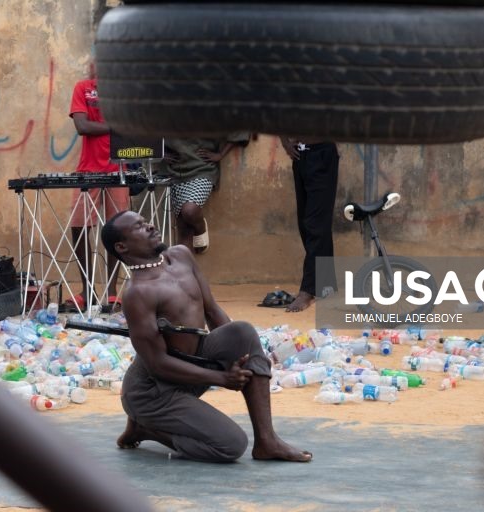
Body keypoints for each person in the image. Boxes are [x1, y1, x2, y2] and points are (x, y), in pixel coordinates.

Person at [100, 210, 312, 463]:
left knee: (241, 331)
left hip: (192, 362)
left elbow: (212, 310)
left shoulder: (181, 256)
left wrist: (242, 359)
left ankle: (267, 441)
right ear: (122, 246)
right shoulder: (137, 294)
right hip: (153, 392)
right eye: (139, 227)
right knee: (230, 446)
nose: (150, 227)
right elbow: (157, 364)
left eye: (147, 221)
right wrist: (222, 378)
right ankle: (148, 428)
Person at [67, 68, 129, 312]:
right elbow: (82, 126)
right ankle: (88, 289)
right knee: (79, 226)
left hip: (119, 171)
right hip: (88, 170)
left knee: (118, 230)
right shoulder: (83, 87)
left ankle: (112, 292)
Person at [279, 138, 339, 313]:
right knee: (306, 224)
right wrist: (285, 143)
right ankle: (326, 285)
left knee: (316, 224)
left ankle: (309, 291)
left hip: (322, 153)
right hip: (300, 157)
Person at [162, 134, 249, 253]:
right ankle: (185, 269)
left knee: (190, 211)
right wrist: (160, 153)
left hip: (202, 168)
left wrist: (220, 155)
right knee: (184, 230)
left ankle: (200, 228)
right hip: (175, 171)